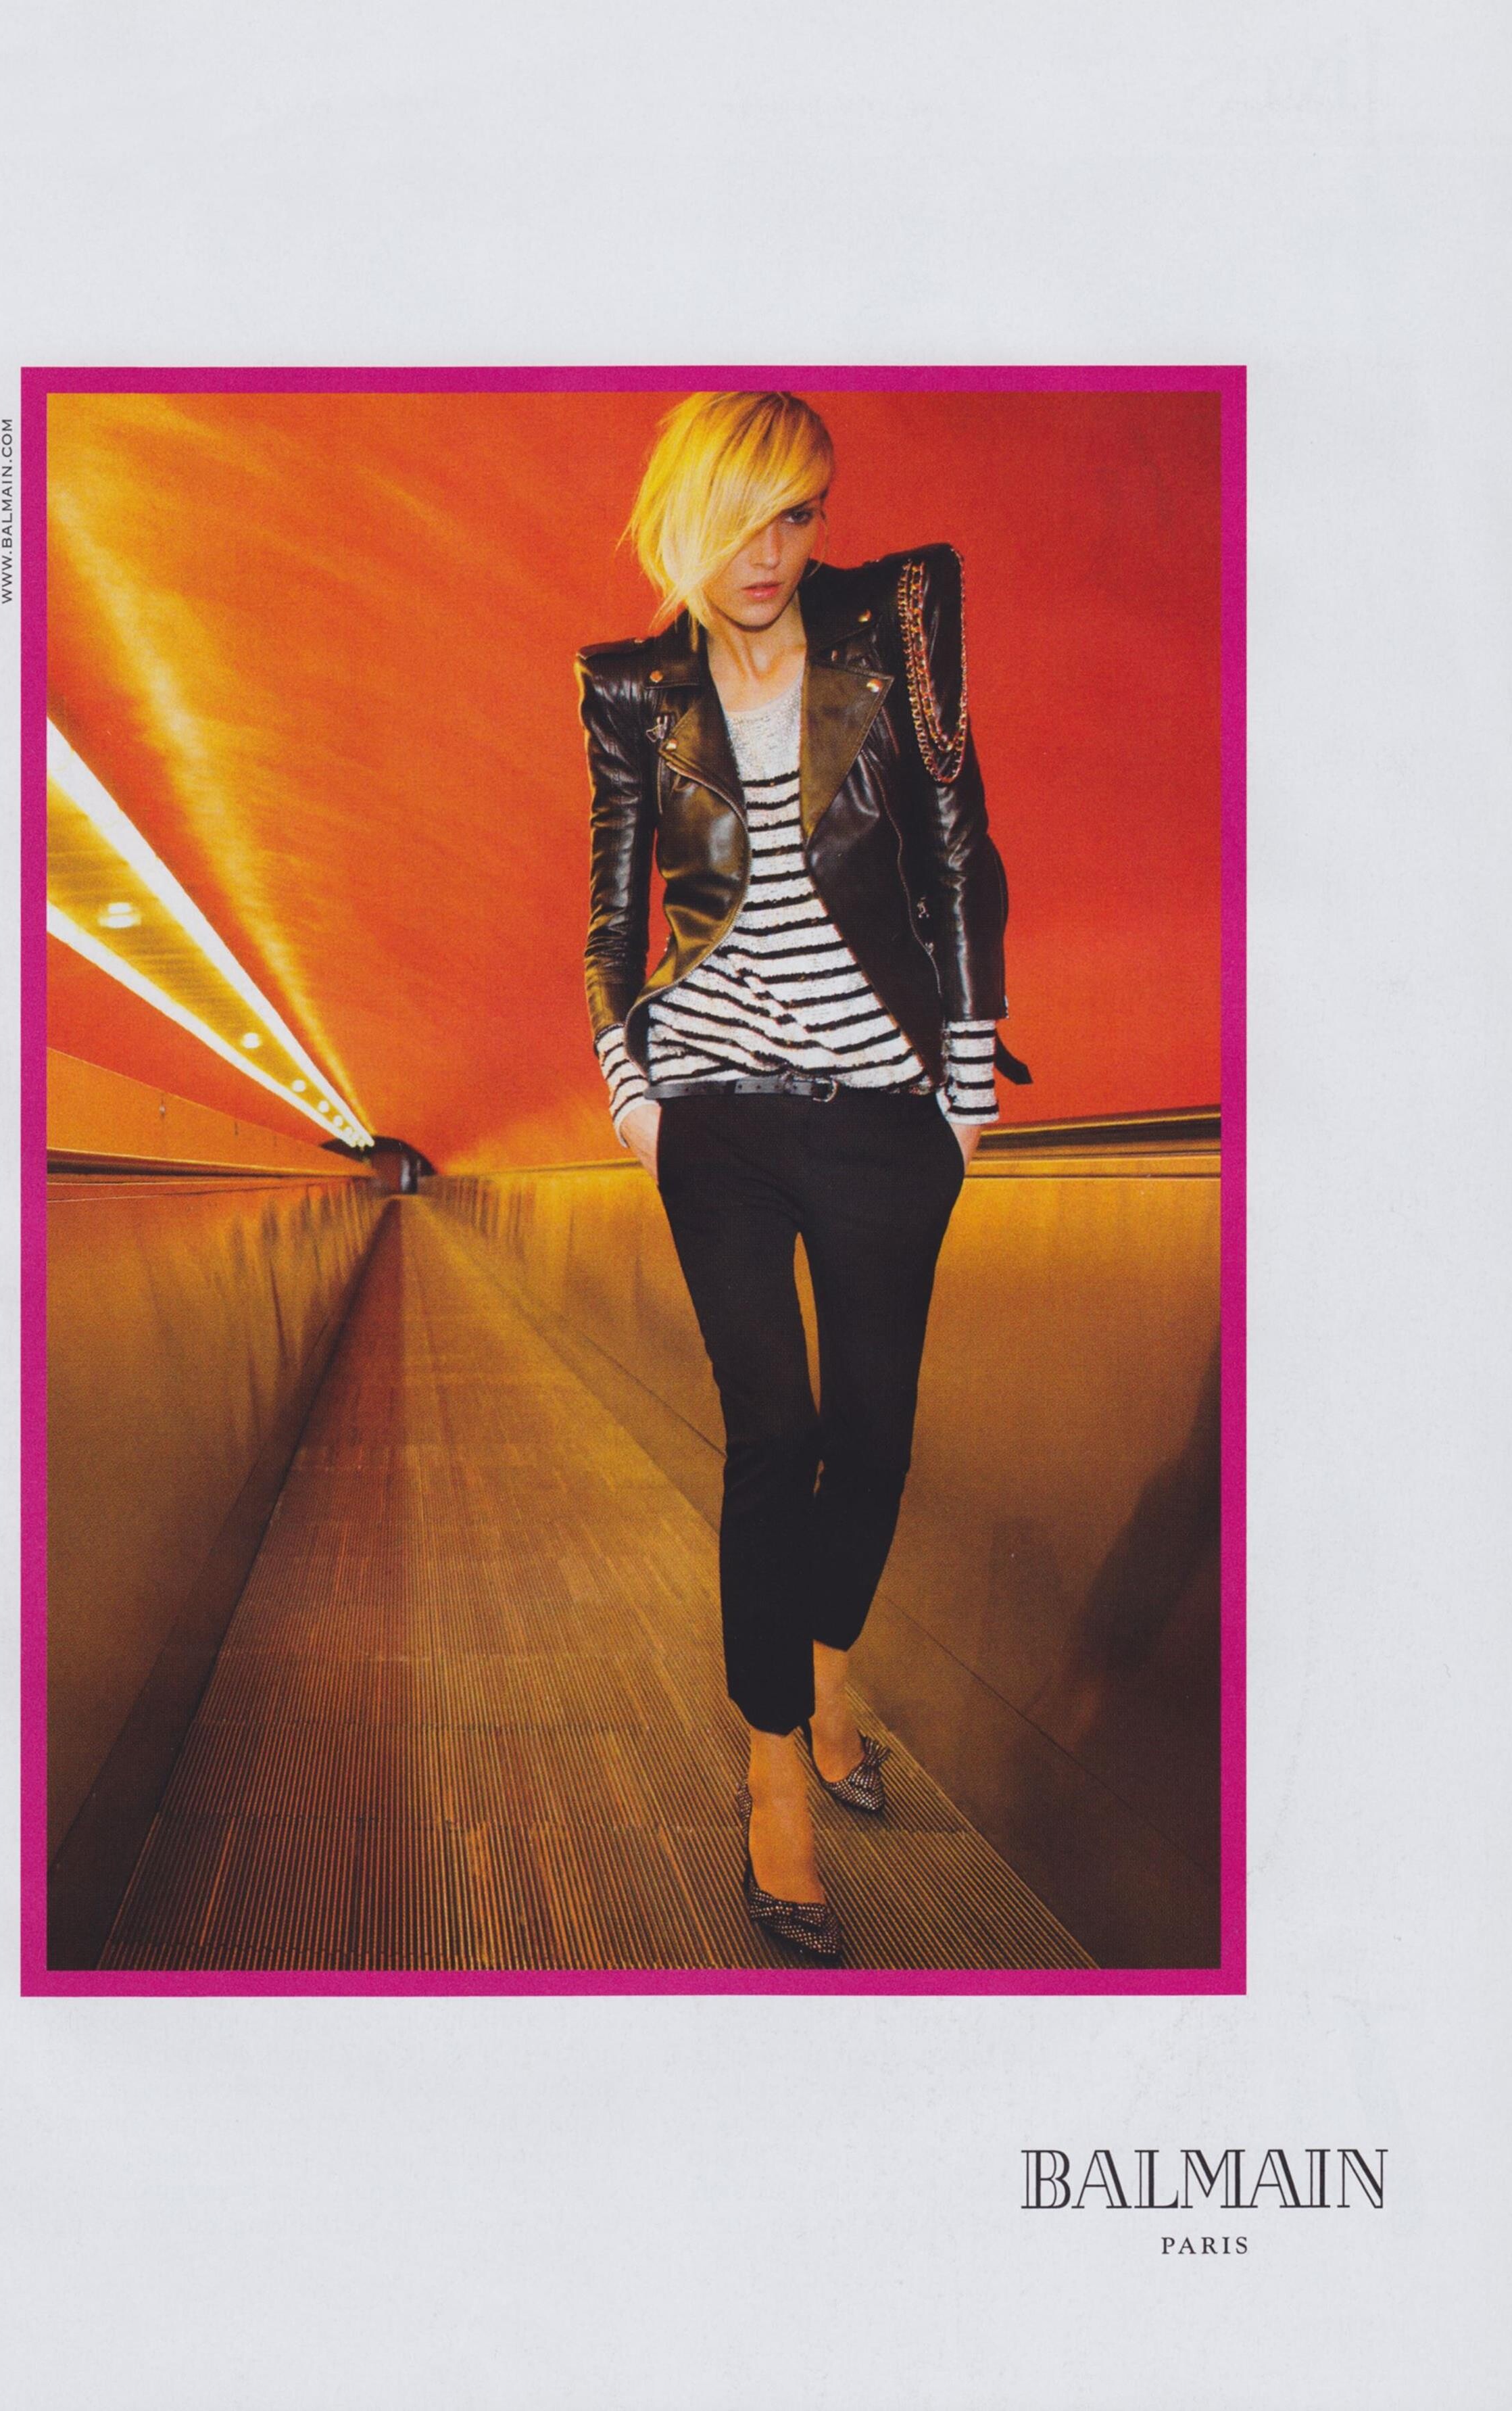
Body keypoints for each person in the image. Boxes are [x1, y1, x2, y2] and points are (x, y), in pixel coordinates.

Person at [577, 391, 1026, 1965]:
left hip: (883, 1109)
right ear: (679, 517)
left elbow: (957, 848)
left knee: (873, 1436)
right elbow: (608, 910)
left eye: (799, 514)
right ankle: (774, 1775)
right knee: (772, 1436)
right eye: (741, 516)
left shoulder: (891, 633)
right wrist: (635, 1093)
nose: (770, 552)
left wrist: (961, 1096)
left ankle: (828, 1670)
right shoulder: (633, 688)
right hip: (716, 1115)